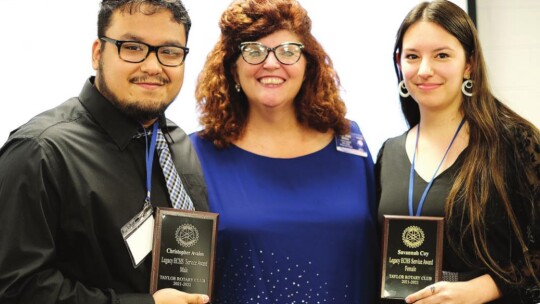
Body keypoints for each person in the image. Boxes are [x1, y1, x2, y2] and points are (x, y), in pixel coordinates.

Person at [0, 1, 210, 303]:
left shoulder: (177, 141)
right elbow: (15, 290)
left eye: (170, 52)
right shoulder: (39, 151)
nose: (153, 66)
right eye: (133, 47)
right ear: (98, 53)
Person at [188, 0, 379, 303]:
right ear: (232, 68)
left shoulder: (349, 143)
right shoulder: (195, 155)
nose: (271, 63)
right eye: (254, 51)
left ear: (308, 65)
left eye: (288, 51)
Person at [376, 1, 540, 303]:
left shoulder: (515, 142)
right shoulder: (389, 154)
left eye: (442, 55)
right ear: (400, 62)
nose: (425, 70)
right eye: (413, 56)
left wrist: (486, 288)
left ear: (469, 64)